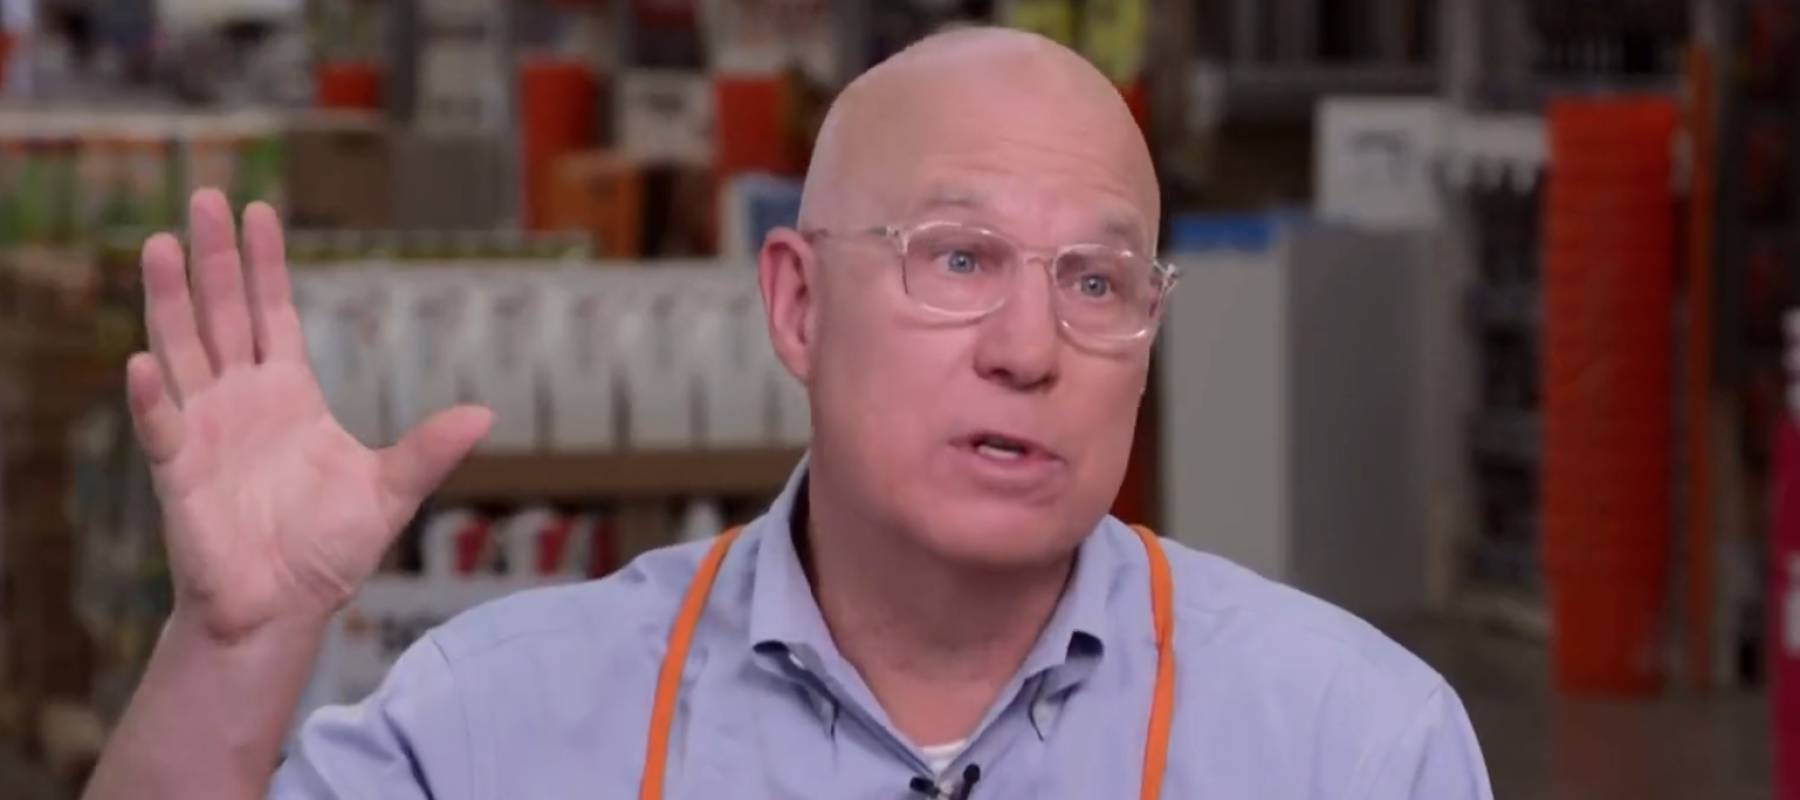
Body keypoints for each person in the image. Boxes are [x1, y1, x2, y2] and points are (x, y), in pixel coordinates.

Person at [83, 28, 1492, 799]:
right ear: (799, 305)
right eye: (958, 259)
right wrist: (235, 648)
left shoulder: (1347, 745)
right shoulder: (501, 730)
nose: (1029, 345)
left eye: (1097, 279)